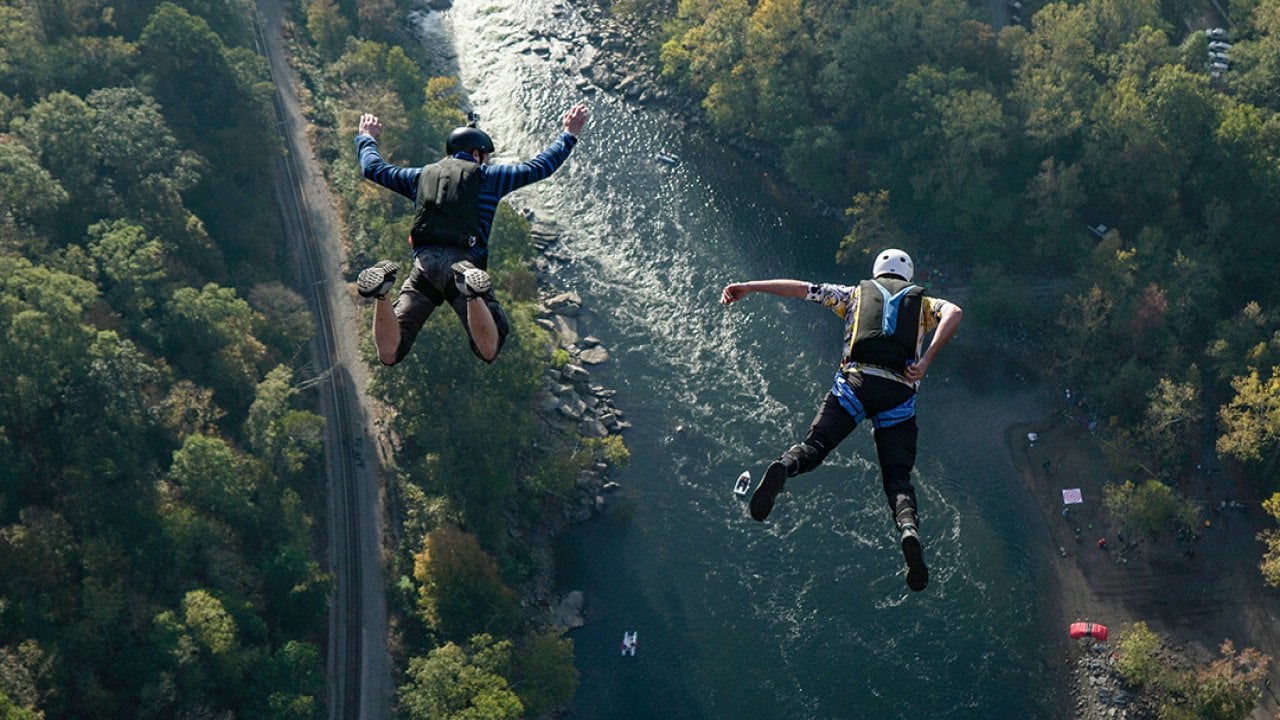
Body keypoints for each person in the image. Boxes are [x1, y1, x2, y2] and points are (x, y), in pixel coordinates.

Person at [720, 249, 963, 592]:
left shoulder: (853, 295)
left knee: (814, 447)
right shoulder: (924, 305)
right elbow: (955, 311)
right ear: (908, 278)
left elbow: (803, 289)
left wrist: (750, 285)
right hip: (898, 393)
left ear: (877, 272)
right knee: (897, 479)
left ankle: (784, 467)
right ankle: (908, 529)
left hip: (855, 385)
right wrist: (924, 363)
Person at [353, 103, 591, 365]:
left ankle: (381, 292)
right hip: (464, 264)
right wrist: (569, 134)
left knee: (390, 353)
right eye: (485, 156)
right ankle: (472, 292)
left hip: (424, 267)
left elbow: (373, 168)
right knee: (489, 348)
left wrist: (366, 138)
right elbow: (540, 167)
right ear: (477, 153)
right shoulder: (489, 176)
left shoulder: (419, 177)